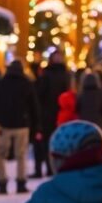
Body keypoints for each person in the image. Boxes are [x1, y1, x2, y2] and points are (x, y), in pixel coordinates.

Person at [0, 60, 41, 195]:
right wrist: (36, 124)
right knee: (21, 155)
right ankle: (20, 182)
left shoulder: (1, 83)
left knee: (0, 154)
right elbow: (34, 106)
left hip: (3, 124)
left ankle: (2, 183)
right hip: (22, 124)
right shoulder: (27, 83)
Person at [35, 49, 71, 178]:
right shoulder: (47, 73)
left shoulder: (66, 73)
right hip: (48, 112)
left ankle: (61, 165)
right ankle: (50, 166)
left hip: (63, 112)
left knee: (62, 141)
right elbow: (40, 93)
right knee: (49, 141)